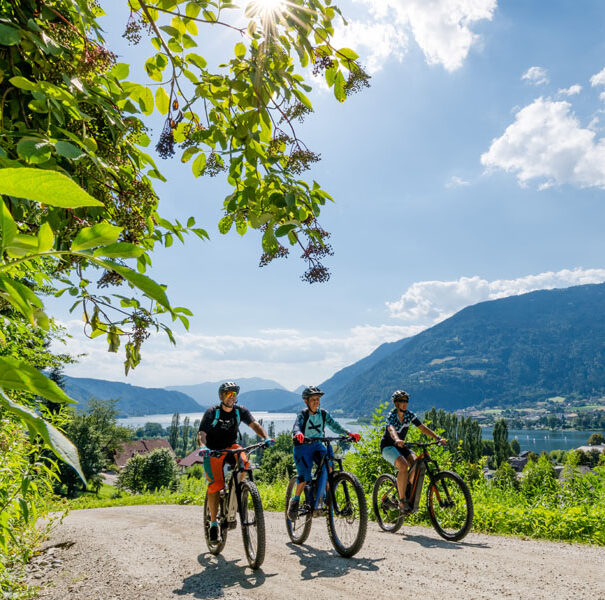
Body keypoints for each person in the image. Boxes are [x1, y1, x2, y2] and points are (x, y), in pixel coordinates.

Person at [197, 381, 274, 542]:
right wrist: (203, 446)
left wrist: (265, 437)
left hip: (231, 447)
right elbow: (202, 433)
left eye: (234, 394)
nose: (232, 397)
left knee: (245, 464)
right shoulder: (212, 412)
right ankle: (212, 524)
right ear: (221, 396)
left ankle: (239, 491)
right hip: (213, 451)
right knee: (216, 486)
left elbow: (254, 424)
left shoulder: (240, 411)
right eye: (228, 393)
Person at [287, 385, 361, 520]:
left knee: (330, 468)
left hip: (318, 445)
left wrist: (349, 433)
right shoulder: (303, 414)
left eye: (318, 399)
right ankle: (295, 501)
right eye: (313, 399)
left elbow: (335, 426)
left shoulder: (323, 414)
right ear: (306, 401)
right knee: (304, 477)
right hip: (302, 447)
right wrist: (298, 434)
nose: (316, 402)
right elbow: (297, 426)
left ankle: (325, 498)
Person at [380, 389, 446, 513]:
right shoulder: (392, 415)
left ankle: (405, 488)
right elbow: (391, 429)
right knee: (404, 466)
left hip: (401, 446)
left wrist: (437, 438)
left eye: (406, 401)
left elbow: (422, 427)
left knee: (417, 464)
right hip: (388, 446)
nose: (405, 403)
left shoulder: (409, 415)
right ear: (396, 403)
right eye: (401, 401)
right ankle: (401, 500)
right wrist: (397, 439)